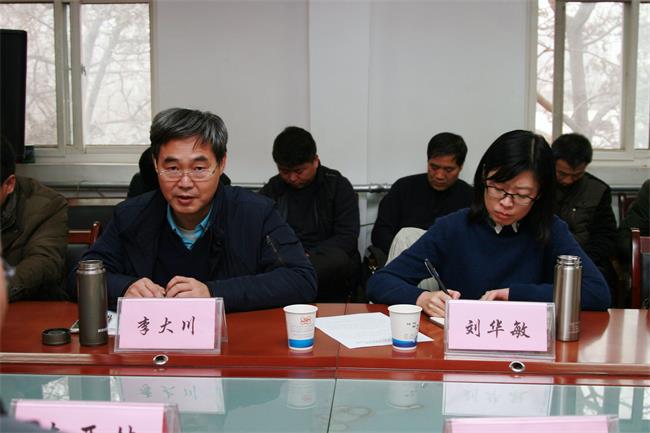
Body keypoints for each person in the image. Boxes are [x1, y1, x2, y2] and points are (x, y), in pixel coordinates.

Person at [67, 108, 317, 311]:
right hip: (153, 348)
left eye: (198, 169)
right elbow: (79, 276)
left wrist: (213, 293)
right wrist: (124, 287)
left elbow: (301, 279)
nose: (185, 183)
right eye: (172, 168)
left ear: (221, 163)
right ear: (155, 164)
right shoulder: (131, 215)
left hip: (232, 345)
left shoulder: (255, 213)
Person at [367, 130, 611, 317]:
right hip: (462, 346)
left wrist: (516, 295)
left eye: (522, 195)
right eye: (497, 188)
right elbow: (381, 282)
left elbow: (597, 293)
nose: (505, 203)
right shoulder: (454, 227)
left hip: (527, 347)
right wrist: (422, 298)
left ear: (540, 194)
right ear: (484, 177)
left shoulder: (550, 229)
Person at [259, 126, 360, 302]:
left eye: (299, 171)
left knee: (337, 260)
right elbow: (261, 232)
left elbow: (347, 237)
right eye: (284, 171)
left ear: (315, 161)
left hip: (323, 259)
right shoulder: (272, 189)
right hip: (286, 258)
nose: (292, 178)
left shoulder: (337, 186)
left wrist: (307, 256)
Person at [371, 132, 473, 256]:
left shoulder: (470, 197)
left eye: (448, 169)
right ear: (428, 161)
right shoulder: (403, 188)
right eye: (434, 167)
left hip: (448, 260)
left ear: (460, 167)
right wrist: (407, 253)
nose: (439, 176)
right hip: (403, 256)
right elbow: (380, 233)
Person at [1, 138, 68, 301]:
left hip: (27, 305)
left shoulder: (46, 205)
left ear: (9, 184)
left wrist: (2, 288)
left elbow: (43, 263)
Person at [551, 133, 618, 292]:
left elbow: (605, 236)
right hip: (546, 258)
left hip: (586, 260)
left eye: (576, 175)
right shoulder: (538, 186)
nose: (568, 180)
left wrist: (582, 262)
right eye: (562, 174)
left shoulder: (598, 190)